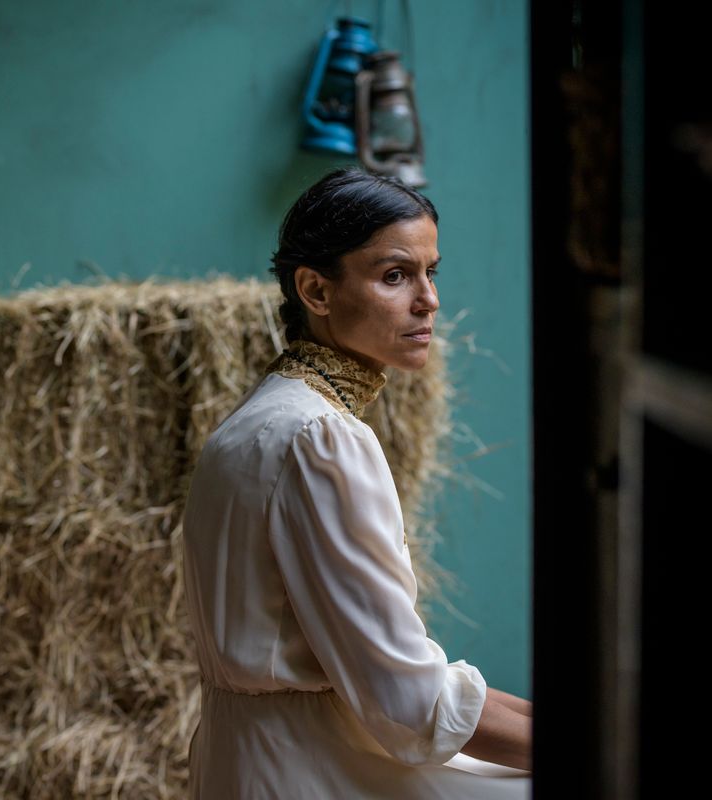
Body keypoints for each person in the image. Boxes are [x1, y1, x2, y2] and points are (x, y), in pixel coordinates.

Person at [181, 169, 531, 798]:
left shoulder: (262, 418)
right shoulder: (319, 437)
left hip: (253, 762)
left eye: (431, 273)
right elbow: (411, 702)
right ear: (315, 290)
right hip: (318, 771)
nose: (429, 300)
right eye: (395, 275)